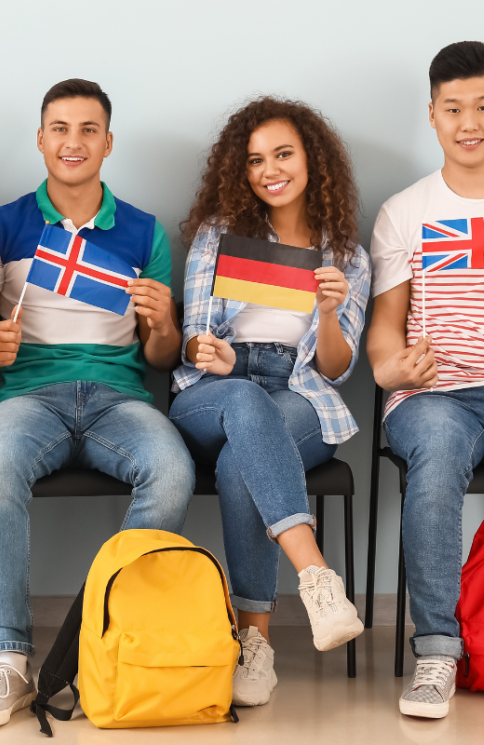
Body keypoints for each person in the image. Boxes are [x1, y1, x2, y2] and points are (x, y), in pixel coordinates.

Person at [0, 79, 194, 728]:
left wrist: (164, 322)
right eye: (60, 128)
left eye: (88, 129)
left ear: (108, 143)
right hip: (29, 397)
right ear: (41, 140)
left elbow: (161, 358)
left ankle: (100, 637)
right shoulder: (1, 224)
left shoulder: (144, 231)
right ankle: (8, 658)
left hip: (119, 396)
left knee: (172, 470)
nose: (73, 142)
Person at [170, 97, 369, 707]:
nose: (269, 170)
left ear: (312, 160)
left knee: (241, 462)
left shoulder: (346, 257)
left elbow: (337, 366)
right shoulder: (218, 236)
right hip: (217, 389)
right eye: (255, 160)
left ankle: (253, 643)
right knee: (244, 411)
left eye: (283, 154)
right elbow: (194, 338)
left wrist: (331, 311)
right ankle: (315, 575)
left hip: (300, 391)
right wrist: (211, 352)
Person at [367, 40, 484, 720]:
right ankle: (436, 650)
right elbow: (385, 328)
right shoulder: (405, 211)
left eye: (483, 105)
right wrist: (391, 367)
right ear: (432, 116)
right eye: (453, 108)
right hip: (435, 395)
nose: (469, 121)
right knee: (439, 457)